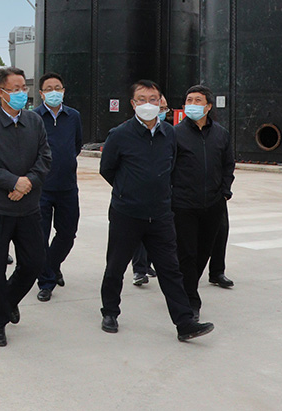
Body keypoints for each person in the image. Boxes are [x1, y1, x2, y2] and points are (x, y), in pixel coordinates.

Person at [98, 79, 214, 342]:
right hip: (126, 213)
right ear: (132, 104)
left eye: (153, 99)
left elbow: (171, 166)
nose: (148, 104)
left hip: (160, 214)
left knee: (170, 269)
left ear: (161, 102)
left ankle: (184, 323)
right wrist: (128, 190)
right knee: (116, 266)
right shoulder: (120, 135)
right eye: (141, 99)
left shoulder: (169, 134)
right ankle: (110, 312)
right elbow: (107, 169)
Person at [0, 66, 51, 347]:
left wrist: (27, 181)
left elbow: (45, 157)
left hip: (28, 206)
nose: (20, 94)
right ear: (1, 93)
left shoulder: (34, 121)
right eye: (14, 89)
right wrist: (12, 182)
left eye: (23, 88)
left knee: (34, 262)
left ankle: (8, 300)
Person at [171, 85, 235, 319]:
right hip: (183, 205)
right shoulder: (174, 134)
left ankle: (184, 286)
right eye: (189, 100)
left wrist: (225, 191)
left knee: (203, 252)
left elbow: (228, 164)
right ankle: (190, 300)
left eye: (198, 100)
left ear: (208, 106)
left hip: (213, 204)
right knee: (186, 253)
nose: (192, 104)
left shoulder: (221, 134)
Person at [34, 72, 83, 302]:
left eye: (58, 87)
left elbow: (77, 145)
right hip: (41, 188)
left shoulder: (73, 116)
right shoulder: (33, 117)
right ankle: (46, 281)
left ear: (63, 91)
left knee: (67, 233)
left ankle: (52, 265)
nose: (54, 91)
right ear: (41, 93)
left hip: (67, 187)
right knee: (40, 236)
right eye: (49, 88)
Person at [132, 97, 171, 285]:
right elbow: (108, 168)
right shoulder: (126, 132)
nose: (162, 111)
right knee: (138, 235)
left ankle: (147, 265)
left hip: (161, 199)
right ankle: (139, 270)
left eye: (164, 108)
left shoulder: (169, 133)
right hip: (134, 199)